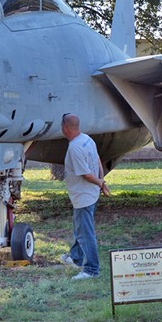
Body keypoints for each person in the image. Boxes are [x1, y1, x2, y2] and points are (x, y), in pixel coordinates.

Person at [59, 113, 111, 280]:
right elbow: (97, 160)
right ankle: (75, 258)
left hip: (83, 196)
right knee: (79, 228)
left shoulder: (74, 147)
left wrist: (100, 183)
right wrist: (101, 181)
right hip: (90, 194)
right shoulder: (87, 139)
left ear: (65, 128)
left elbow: (87, 174)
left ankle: (91, 270)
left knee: (85, 233)